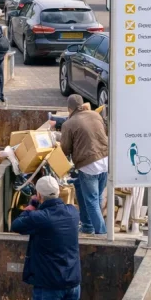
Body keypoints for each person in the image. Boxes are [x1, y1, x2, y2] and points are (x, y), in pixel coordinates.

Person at [60, 93, 108, 235]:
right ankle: (88, 226)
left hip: (89, 164)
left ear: (69, 109)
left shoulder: (68, 124)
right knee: (97, 196)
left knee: (92, 200)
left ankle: (102, 233)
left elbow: (65, 149)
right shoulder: (95, 115)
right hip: (106, 159)